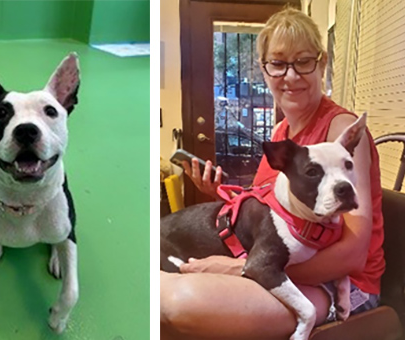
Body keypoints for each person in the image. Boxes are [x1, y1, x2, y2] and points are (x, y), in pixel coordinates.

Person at [161, 7, 385, 339]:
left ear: (322, 63)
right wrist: (219, 194)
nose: (290, 77)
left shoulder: (340, 130)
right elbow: (272, 216)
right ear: (264, 71)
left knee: (177, 300)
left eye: (304, 61)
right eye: (278, 64)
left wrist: (242, 268)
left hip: (342, 285)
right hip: (274, 265)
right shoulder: (281, 133)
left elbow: (352, 254)